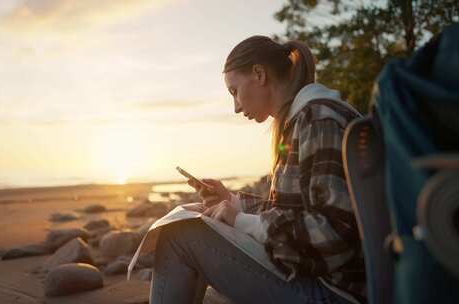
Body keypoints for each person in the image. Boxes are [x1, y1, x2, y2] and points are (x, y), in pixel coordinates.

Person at [149, 36, 366, 304]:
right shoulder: (303, 119)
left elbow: (332, 234)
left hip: (336, 293)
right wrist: (233, 203)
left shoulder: (318, 119)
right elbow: (295, 213)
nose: (236, 106)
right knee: (197, 223)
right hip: (317, 280)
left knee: (178, 235)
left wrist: (239, 221)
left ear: (259, 74)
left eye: (234, 91)